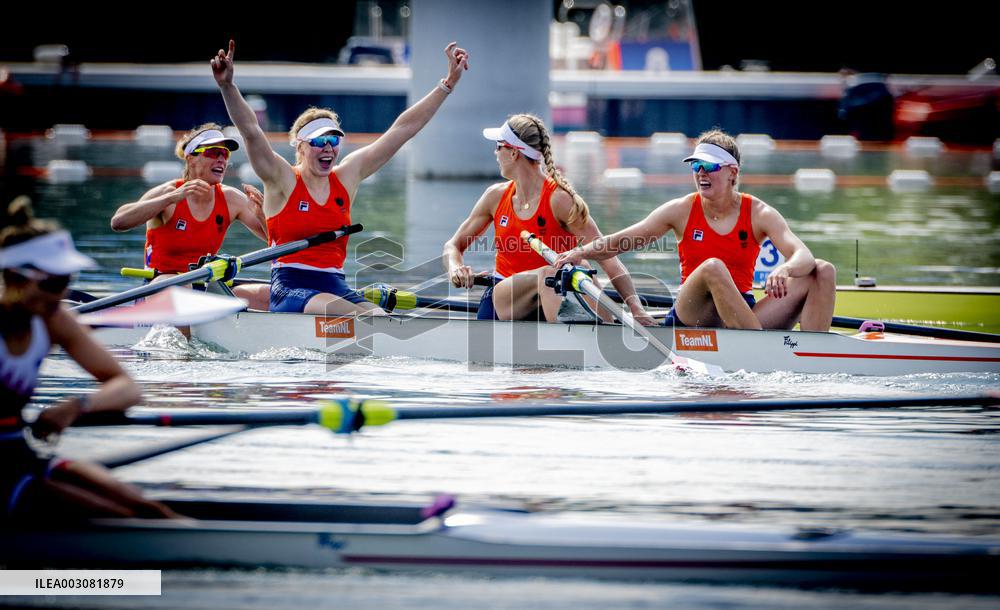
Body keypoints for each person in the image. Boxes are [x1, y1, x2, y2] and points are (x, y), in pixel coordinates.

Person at [212, 39, 469, 315]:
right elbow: (250, 130)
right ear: (299, 146)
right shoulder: (282, 179)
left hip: (335, 284)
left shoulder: (346, 177)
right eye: (318, 141)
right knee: (359, 317)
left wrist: (447, 85)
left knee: (380, 318)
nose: (327, 147)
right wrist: (228, 86)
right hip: (290, 287)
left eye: (333, 139)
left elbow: (403, 129)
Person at [555, 129, 836, 331]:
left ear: (732, 173)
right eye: (696, 166)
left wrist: (785, 269)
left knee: (822, 271)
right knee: (713, 267)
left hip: (741, 311)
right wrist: (578, 252)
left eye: (709, 166)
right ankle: (759, 347)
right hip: (693, 313)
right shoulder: (681, 209)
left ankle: (812, 354)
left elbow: (804, 256)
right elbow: (622, 241)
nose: (701, 172)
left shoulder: (759, 213)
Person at [0, 198, 176, 520]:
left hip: (20, 455)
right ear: (16, 278)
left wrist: (76, 406)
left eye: (67, 281)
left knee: (148, 509)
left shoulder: (53, 317)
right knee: (121, 519)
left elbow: (127, 388)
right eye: (55, 282)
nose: (62, 294)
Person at [444, 114, 655, 325]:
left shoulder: (560, 200)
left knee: (577, 269)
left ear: (514, 152)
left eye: (499, 146)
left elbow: (608, 258)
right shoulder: (495, 197)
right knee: (550, 274)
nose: (495, 153)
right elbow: (453, 246)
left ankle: (606, 333)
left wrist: (636, 308)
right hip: (506, 298)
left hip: (556, 289)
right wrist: (455, 267)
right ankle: (581, 336)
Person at [110, 124, 270, 310]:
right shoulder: (168, 193)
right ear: (190, 158)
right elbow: (118, 222)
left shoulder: (231, 198)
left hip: (204, 285)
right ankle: (180, 339)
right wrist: (172, 198)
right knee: (181, 287)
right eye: (213, 152)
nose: (221, 160)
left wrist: (262, 215)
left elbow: (274, 240)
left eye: (224, 154)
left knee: (269, 296)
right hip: (160, 285)